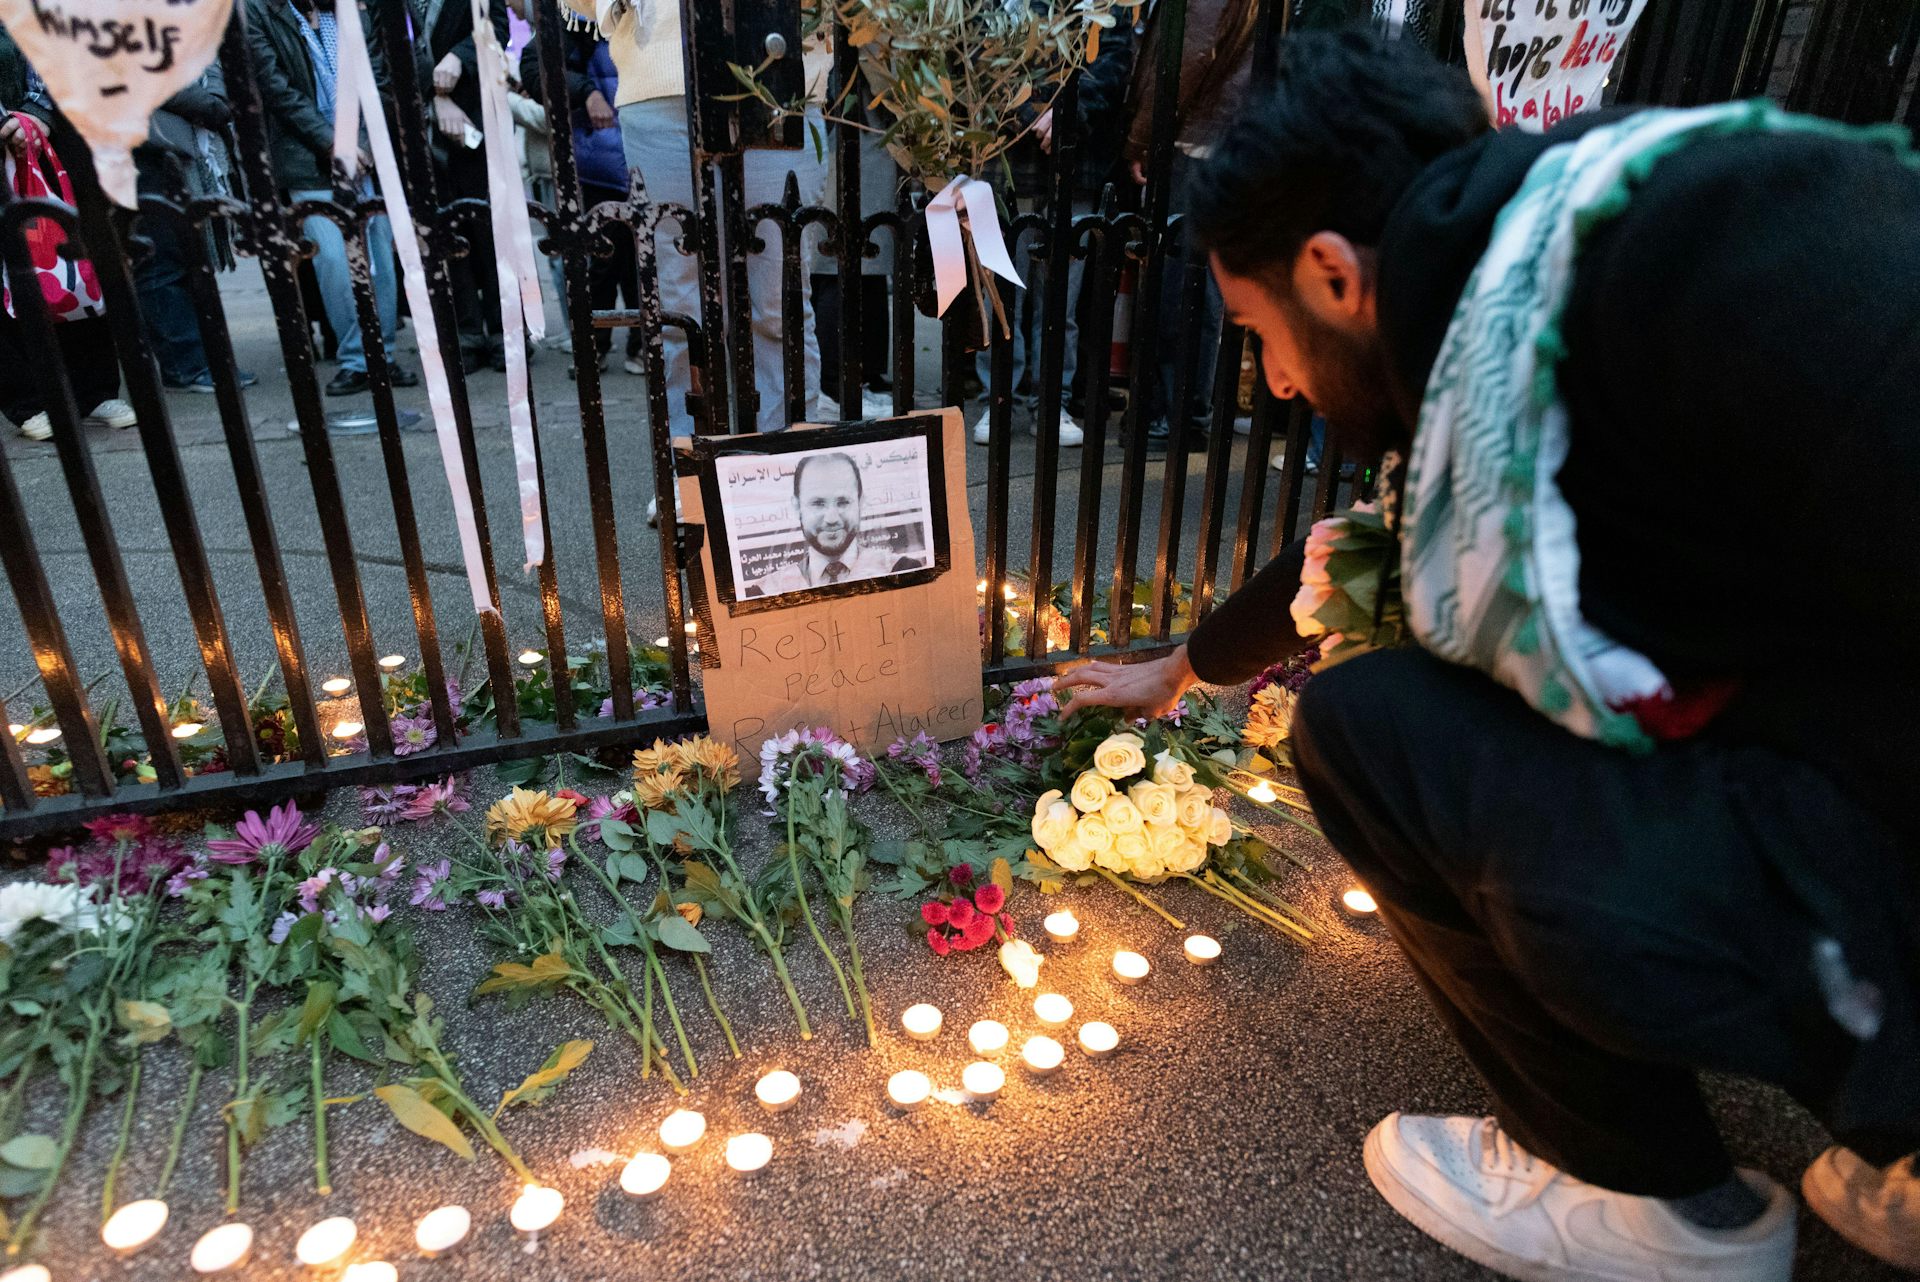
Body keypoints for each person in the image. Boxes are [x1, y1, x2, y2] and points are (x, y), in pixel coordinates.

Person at [1057, 31, 1918, 1282]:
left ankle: (1655, 1203)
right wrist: (1185, 666)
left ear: (1332, 274)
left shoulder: (1705, 274)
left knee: (1365, 729)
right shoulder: (1537, 260)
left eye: (1258, 332)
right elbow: (1382, 542)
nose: (1278, 385)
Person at [244, 0, 418, 396]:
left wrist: (357, 143)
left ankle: (385, 355)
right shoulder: (258, 11)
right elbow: (276, 89)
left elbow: (375, 75)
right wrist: (331, 143)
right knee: (335, 262)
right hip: (308, 156)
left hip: (364, 149)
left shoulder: (347, 8)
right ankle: (359, 360)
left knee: (379, 259)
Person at [1118, 0, 1258, 454]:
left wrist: (1142, 135)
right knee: (1196, 283)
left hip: (1193, 136)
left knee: (1181, 284)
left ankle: (1175, 414)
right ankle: (1184, 410)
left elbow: (1189, 53)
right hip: (1220, 133)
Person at [1, 25, 133, 441]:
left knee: (71, 255)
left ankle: (93, 391)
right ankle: (25, 402)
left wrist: (32, 116)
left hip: (49, 137)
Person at [133, 67, 261, 394]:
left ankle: (204, 359)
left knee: (190, 260)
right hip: (144, 152)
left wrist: (214, 95)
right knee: (161, 263)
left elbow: (212, 63)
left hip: (179, 149)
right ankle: (185, 367)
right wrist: (211, 102)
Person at [743, 451, 925, 597]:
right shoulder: (764, 592)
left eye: (843, 502)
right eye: (818, 503)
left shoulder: (902, 572)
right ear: (797, 507)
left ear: (861, 502)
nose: (831, 518)